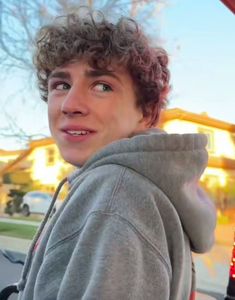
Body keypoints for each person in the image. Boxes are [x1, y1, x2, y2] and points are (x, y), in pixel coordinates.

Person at [17, 7, 216, 300]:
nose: (70, 104)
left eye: (102, 86)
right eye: (61, 85)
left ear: (146, 113)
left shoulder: (115, 193)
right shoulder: (136, 189)